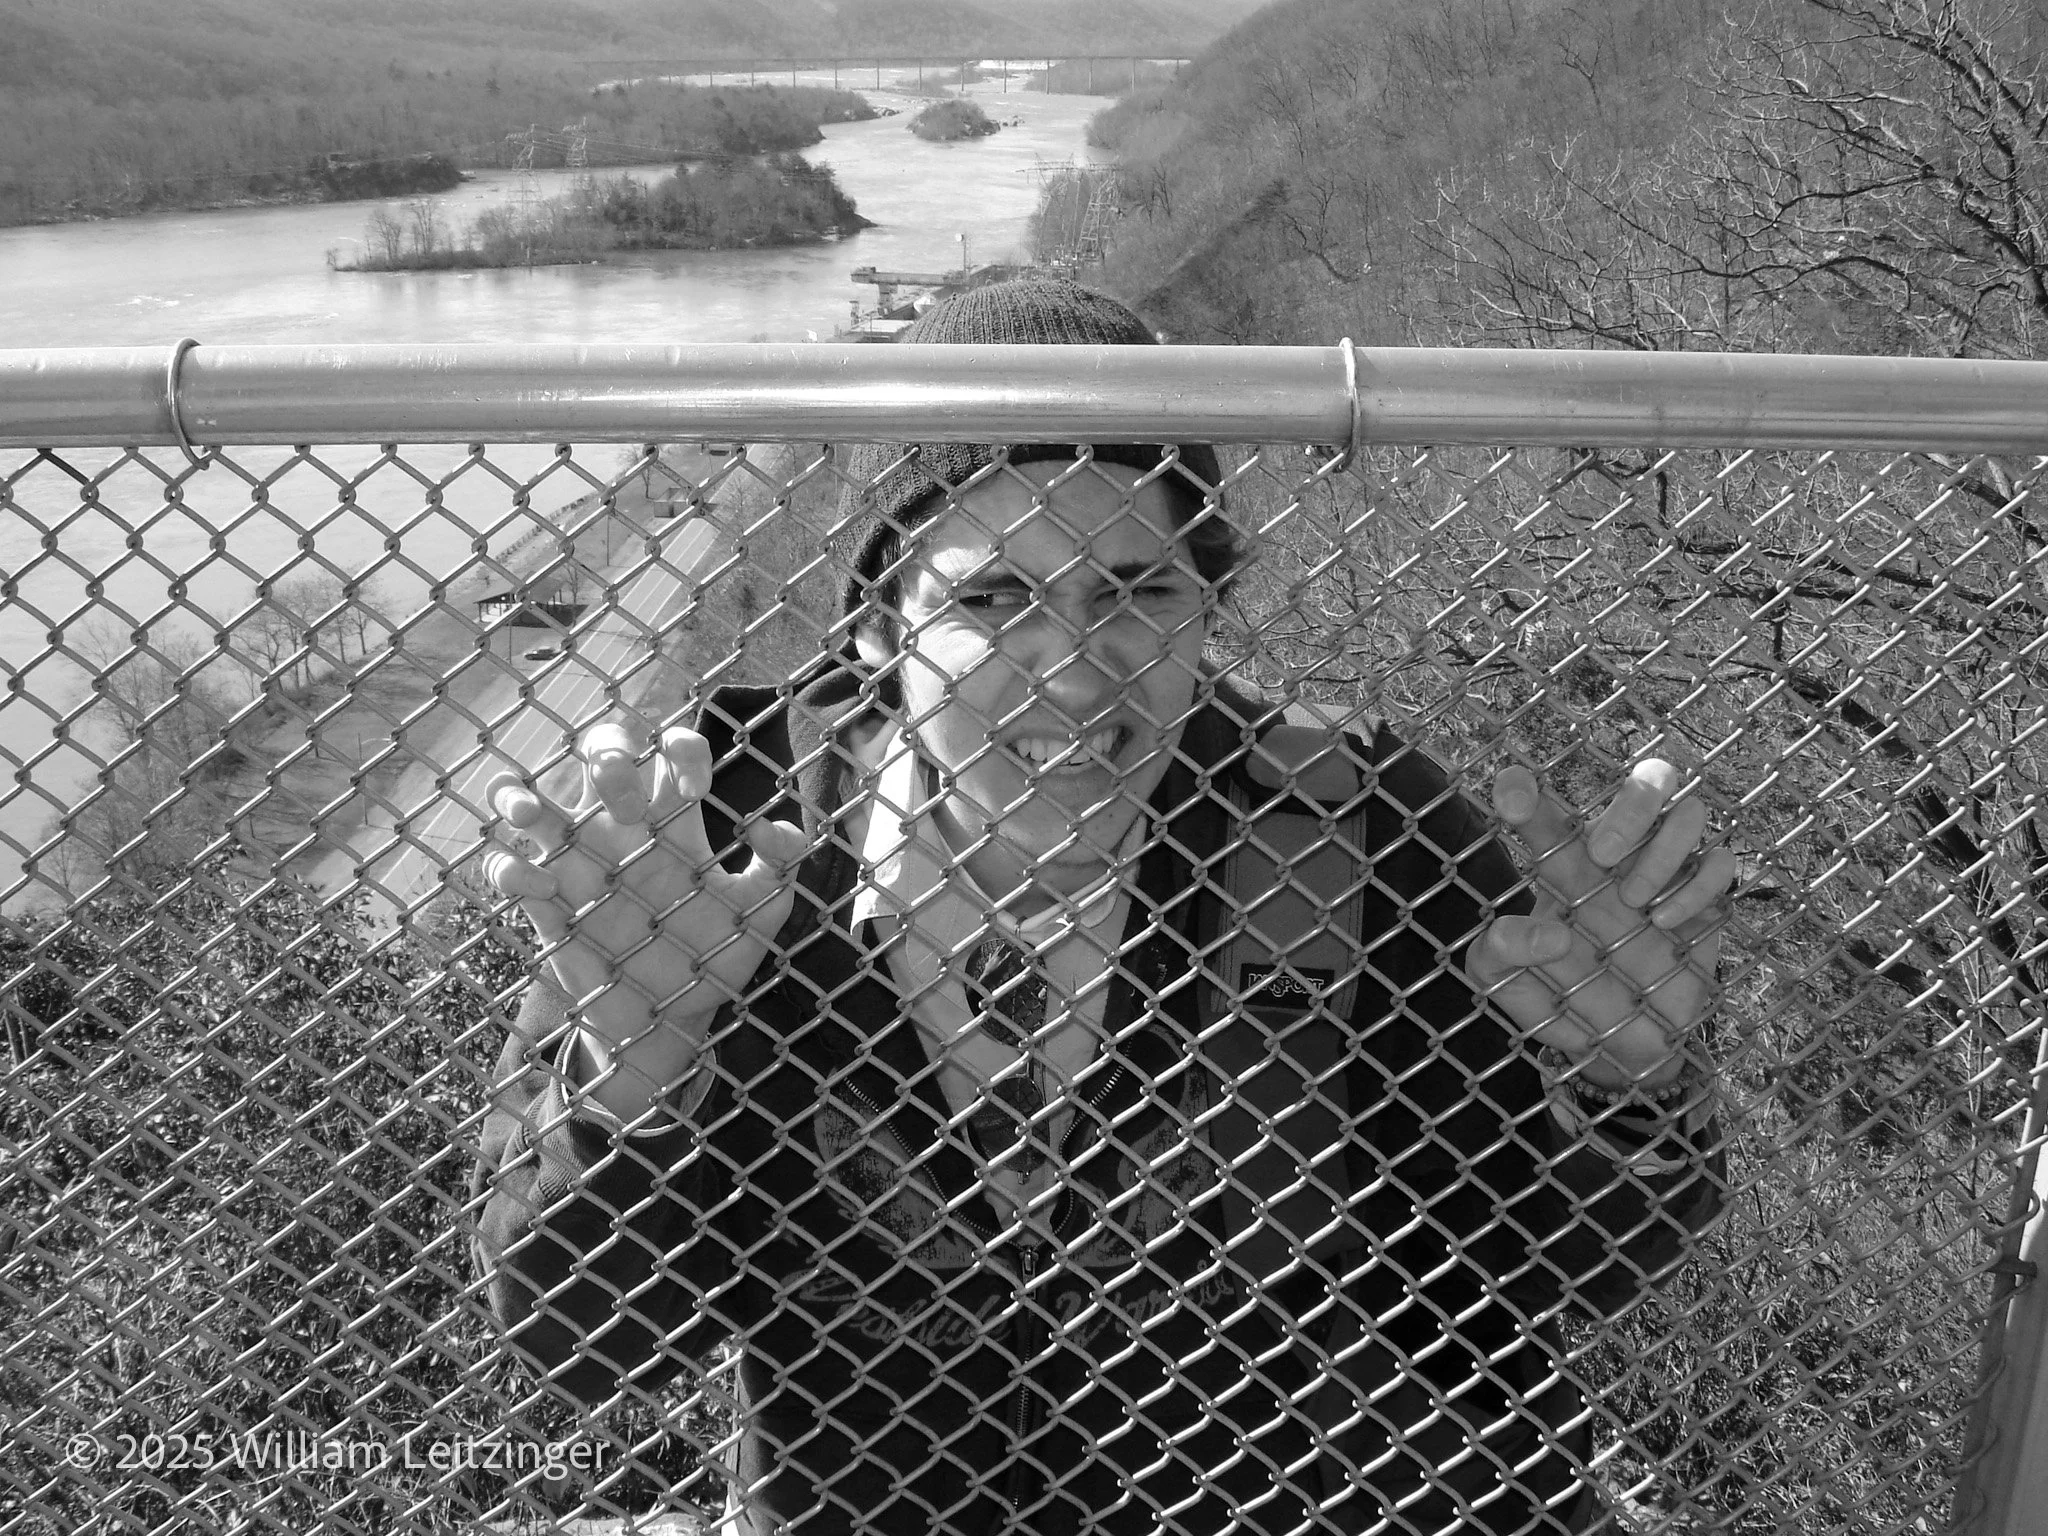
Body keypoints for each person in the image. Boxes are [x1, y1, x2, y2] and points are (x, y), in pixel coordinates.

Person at [473, 277, 1733, 1536]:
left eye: (1135, 590)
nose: (1074, 676)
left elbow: (1560, 1265)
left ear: (1211, 604)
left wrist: (1629, 1091)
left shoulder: (1353, 827)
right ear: (873, 630)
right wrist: (636, 1078)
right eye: (988, 598)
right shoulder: (708, 855)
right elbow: (582, 1346)